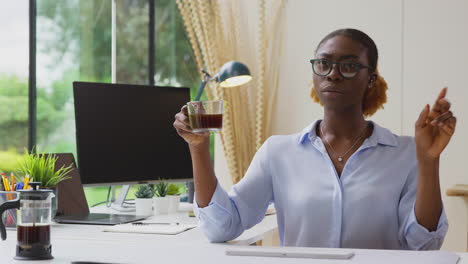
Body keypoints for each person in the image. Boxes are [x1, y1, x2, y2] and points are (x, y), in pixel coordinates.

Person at [173, 28, 457, 250]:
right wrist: (198, 148)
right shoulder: (278, 152)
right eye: (323, 64)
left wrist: (428, 160)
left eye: (348, 66)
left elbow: (423, 245)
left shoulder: (407, 153)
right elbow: (222, 227)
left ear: (371, 78)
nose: (333, 74)